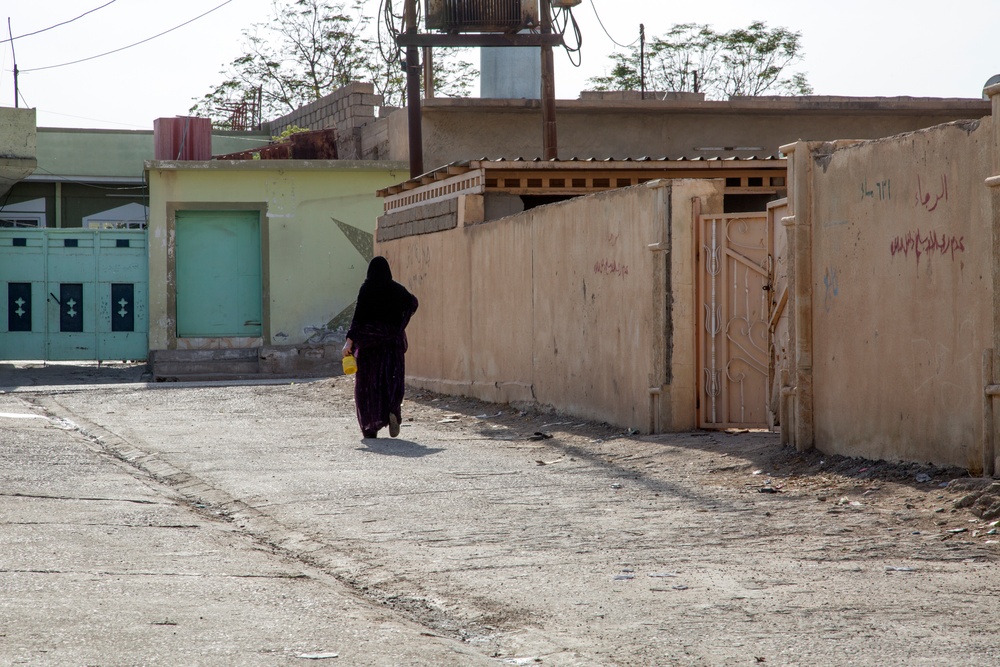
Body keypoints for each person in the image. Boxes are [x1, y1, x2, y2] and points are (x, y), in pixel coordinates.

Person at [342, 256, 419, 439]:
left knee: (369, 385)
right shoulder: (397, 290)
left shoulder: (367, 289)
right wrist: (400, 325)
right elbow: (413, 303)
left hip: (370, 346)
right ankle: (392, 410)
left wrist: (349, 341)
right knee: (390, 381)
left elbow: (358, 317)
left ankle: (370, 426)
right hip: (392, 344)